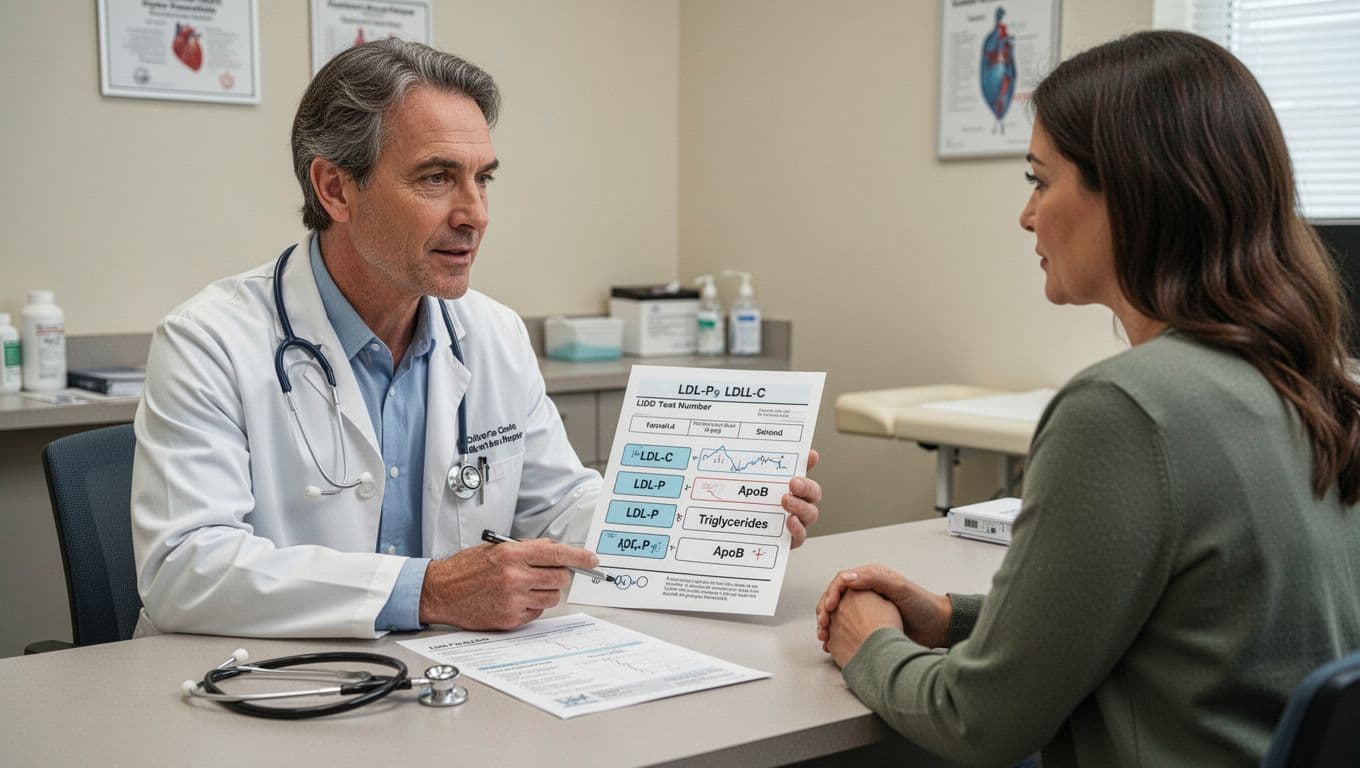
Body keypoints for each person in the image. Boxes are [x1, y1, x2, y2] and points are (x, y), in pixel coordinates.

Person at [131, 39, 822, 639]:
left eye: (482, 179)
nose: (475, 215)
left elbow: (560, 509)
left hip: (441, 686)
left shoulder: (490, 333)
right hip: (259, 693)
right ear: (336, 189)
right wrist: (427, 592)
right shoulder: (210, 342)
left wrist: (704, 515)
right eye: (437, 178)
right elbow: (184, 567)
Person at [815, 30, 1360, 767]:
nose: (1027, 215)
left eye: (1041, 181)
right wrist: (950, 618)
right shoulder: (1313, 380)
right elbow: (1186, 629)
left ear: (1131, 194)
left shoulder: (1125, 408)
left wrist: (868, 645)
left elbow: (977, 722)